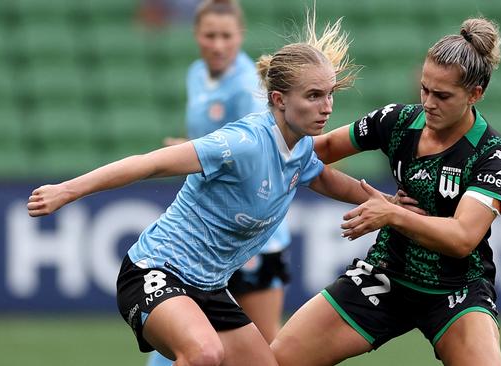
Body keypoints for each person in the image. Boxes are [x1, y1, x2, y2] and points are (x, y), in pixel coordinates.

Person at [27, 12, 367, 366]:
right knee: (204, 353)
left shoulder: (299, 148)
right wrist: (66, 191)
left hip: (209, 287)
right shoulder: (245, 142)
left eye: (329, 95)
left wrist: (389, 205)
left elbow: (324, 177)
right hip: (155, 271)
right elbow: (150, 164)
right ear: (279, 99)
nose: (327, 107)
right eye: (314, 96)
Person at [271, 17, 501, 366]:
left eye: (442, 95)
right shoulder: (397, 121)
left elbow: (462, 237)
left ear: (475, 94)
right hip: (386, 276)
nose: (428, 102)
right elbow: (315, 151)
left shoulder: (492, 155)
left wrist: (391, 213)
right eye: (424, 89)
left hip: (456, 289)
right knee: (278, 361)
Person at [147, 1, 293, 365]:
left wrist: (193, 154)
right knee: (193, 342)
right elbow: (212, 142)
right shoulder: (196, 73)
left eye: (226, 36)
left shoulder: (247, 89)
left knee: (262, 348)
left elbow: (258, 156)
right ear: (197, 35)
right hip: (210, 232)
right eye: (210, 35)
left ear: (240, 37)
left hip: (252, 240)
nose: (217, 44)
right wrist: (190, 150)